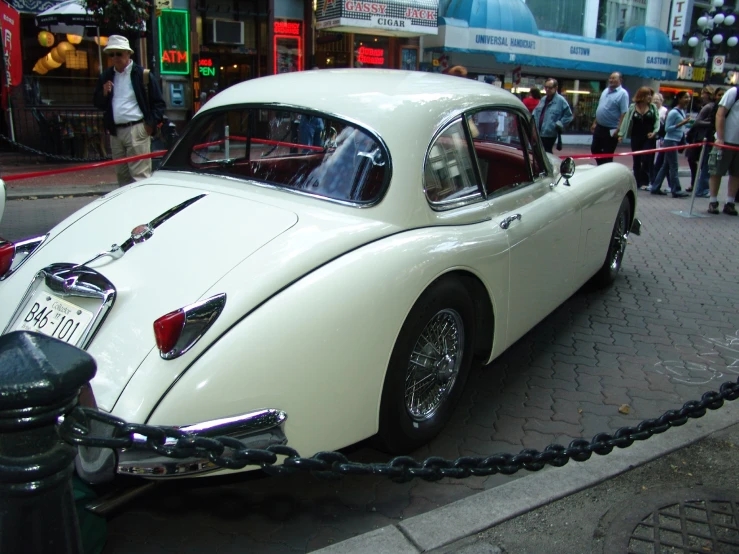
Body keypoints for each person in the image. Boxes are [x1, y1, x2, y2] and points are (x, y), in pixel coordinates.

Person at [93, 35, 165, 186]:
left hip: (137, 129)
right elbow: (98, 103)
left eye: (119, 53)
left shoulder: (142, 75)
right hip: (116, 132)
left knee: (140, 177)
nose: (115, 57)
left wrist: (148, 126)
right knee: (122, 177)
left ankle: (142, 208)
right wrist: (104, 93)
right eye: (111, 54)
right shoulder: (106, 76)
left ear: (128, 53)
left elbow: (159, 103)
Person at [648, 91, 691, 198]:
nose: (688, 99)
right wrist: (681, 124)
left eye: (689, 97)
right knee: (673, 166)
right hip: (670, 141)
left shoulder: (681, 111)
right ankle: (676, 189)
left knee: (666, 166)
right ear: (679, 98)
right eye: (685, 97)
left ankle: (655, 187)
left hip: (674, 140)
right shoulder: (674, 112)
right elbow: (667, 128)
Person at [617, 87, 659, 190]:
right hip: (636, 136)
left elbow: (657, 121)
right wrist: (621, 134)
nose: (649, 97)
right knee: (636, 160)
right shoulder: (632, 107)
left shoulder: (653, 107)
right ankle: (637, 181)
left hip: (648, 136)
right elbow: (626, 120)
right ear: (641, 96)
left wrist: (654, 132)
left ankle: (645, 180)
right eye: (647, 94)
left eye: (650, 94)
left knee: (646, 158)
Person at [706, 85, 739, 215]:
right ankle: (713, 201)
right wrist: (720, 138)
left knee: (736, 173)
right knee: (717, 171)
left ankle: (730, 202)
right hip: (726, 141)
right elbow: (720, 114)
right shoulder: (734, 92)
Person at [691, 87, 723, 197]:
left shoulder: (719, 108)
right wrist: (712, 124)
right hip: (706, 139)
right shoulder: (710, 107)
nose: (721, 97)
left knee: (707, 165)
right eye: (719, 95)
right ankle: (701, 189)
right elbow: (697, 122)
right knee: (705, 165)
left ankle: (700, 188)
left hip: (710, 140)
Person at [591, 72, 629, 165]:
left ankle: (606, 170)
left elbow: (624, 113)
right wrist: (595, 122)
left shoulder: (623, 94)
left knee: (607, 154)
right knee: (595, 149)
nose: (611, 80)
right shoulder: (605, 91)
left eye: (614, 78)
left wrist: (619, 129)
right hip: (600, 126)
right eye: (610, 78)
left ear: (620, 80)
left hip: (611, 129)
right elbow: (601, 107)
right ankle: (601, 166)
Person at [685, 87, 714, 192]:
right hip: (698, 137)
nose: (702, 96)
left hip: (700, 138)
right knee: (695, 161)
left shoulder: (708, 107)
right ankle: (696, 184)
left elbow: (697, 122)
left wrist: (710, 124)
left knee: (697, 161)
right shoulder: (708, 106)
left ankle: (698, 185)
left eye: (703, 94)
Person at [532, 79, 573, 154]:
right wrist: (533, 128)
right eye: (546, 87)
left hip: (549, 133)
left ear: (556, 88)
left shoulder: (561, 101)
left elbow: (569, 116)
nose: (547, 89)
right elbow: (535, 113)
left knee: (546, 153)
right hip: (539, 132)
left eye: (550, 88)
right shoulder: (543, 99)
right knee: (537, 152)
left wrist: (559, 124)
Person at [651, 93, 669, 181]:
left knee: (658, 160)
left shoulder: (664, 111)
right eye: (653, 99)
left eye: (657, 100)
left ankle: (655, 179)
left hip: (660, 138)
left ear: (661, 101)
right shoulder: (651, 110)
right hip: (652, 137)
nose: (655, 101)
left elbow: (665, 126)